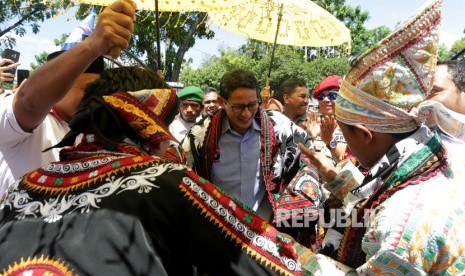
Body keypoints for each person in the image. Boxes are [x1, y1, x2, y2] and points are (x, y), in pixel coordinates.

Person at [0, 66, 314, 275]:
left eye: (252, 106)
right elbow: (271, 260)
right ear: (148, 121)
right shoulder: (166, 180)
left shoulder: (23, 187)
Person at [299, 0, 465, 273]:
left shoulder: (399, 225)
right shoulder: (438, 147)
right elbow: (381, 188)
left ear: (364, 134)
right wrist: (333, 174)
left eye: (344, 130)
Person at [0, 0, 135, 199]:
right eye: (87, 89)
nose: (94, 98)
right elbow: (28, 101)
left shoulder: (101, 132)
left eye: (97, 90)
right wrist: (93, 45)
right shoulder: (23, 121)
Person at [181, 68, 321, 238]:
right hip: (218, 232)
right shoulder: (199, 137)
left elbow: (309, 156)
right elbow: (185, 179)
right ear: (221, 102)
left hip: (266, 233)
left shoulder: (281, 128)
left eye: (252, 105)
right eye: (238, 107)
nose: (246, 113)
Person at [305, 75, 346, 163]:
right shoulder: (311, 123)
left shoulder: (352, 126)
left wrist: (329, 141)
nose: (325, 100)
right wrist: (310, 137)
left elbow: (352, 161)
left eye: (332, 95)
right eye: (321, 96)